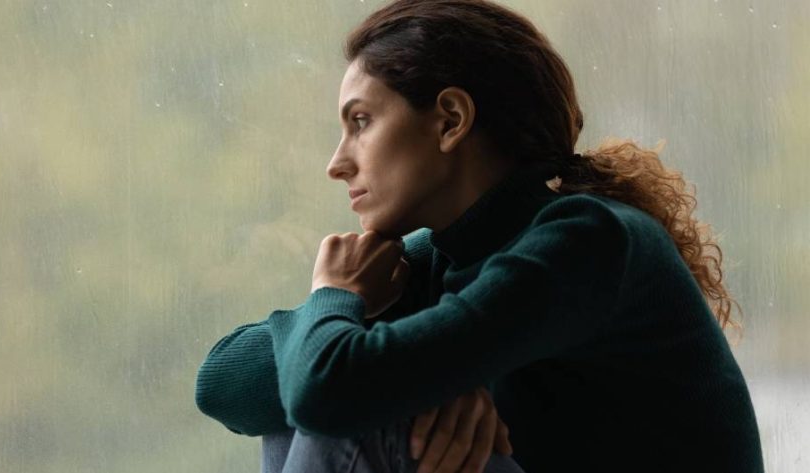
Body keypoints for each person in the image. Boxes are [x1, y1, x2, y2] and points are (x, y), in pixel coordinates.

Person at [195, 1, 765, 472]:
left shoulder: (586, 240)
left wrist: (333, 297)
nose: (337, 163)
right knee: (319, 395)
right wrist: (410, 358)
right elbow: (220, 383)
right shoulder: (441, 257)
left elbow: (326, 393)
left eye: (361, 122)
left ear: (449, 120)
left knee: (356, 404)